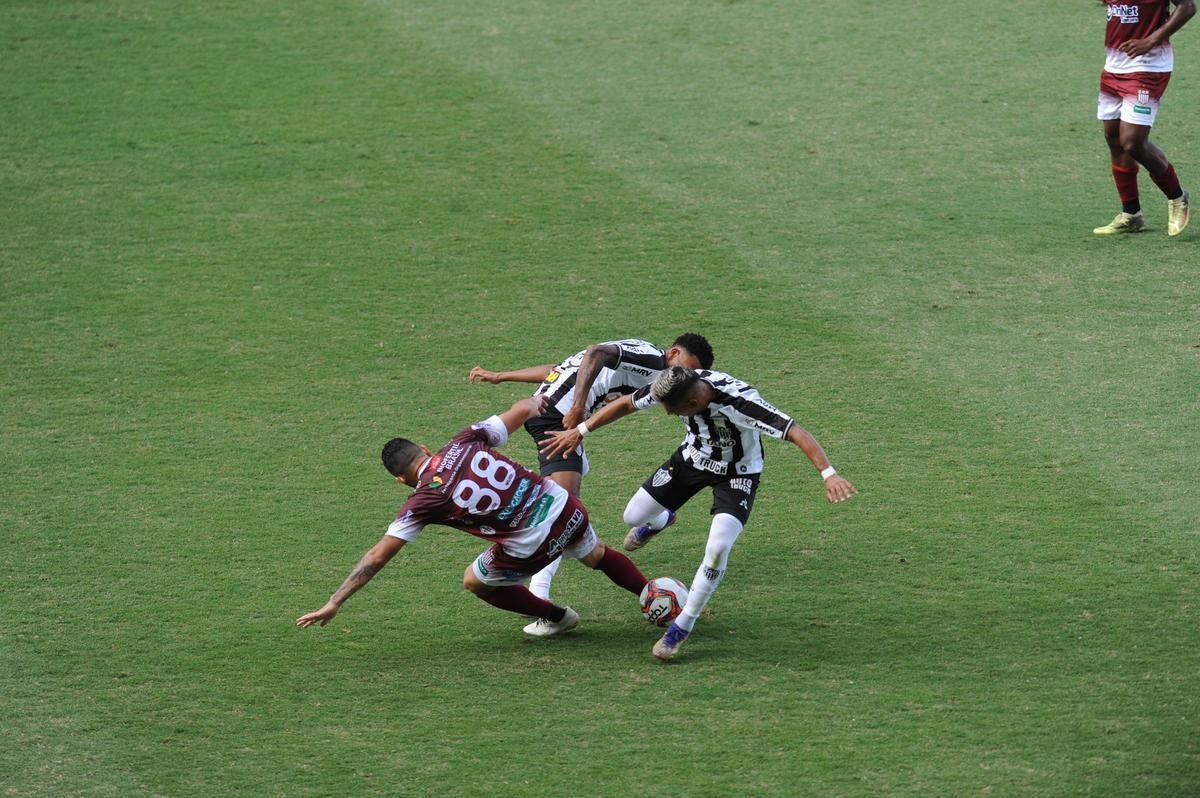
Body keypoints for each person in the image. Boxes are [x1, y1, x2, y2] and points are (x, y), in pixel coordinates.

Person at [540, 366, 857, 661]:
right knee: (632, 517)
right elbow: (626, 404)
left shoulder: (742, 403)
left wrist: (829, 474)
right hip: (690, 460)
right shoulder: (674, 383)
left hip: (737, 475)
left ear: (693, 402)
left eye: (674, 410)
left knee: (718, 549)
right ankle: (662, 519)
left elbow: (796, 432)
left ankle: (682, 627)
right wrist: (580, 430)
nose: (668, 413)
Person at [295, 396, 649, 637]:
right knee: (596, 554)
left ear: (400, 480)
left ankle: (557, 617)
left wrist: (335, 602)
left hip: (534, 542)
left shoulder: (423, 500)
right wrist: (539, 401)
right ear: (424, 449)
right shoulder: (464, 441)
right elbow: (525, 407)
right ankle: (652, 595)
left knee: (475, 581)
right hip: (566, 506)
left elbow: (376, 557)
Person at [468, 333, 713, 634]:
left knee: (560, 515)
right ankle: (545, 593)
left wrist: (502, 375)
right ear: (674, 353)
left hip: (552, 420)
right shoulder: (652, 361)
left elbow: (558, 371)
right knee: (561, 516)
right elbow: (594, 353)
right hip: (558, 421)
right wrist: (578, 406)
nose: (685, 379)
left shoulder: (647, 356)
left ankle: (542, 594)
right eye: (686, 368)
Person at [1093, 0, 1193, 236]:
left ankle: (1177, 196)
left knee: (1132, 142)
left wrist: (1151, 40)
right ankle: (1131, 214)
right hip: (1114, 65)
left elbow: (1188, 6)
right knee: (1114, 138)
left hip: (1148, 68)